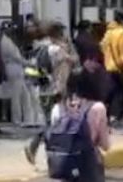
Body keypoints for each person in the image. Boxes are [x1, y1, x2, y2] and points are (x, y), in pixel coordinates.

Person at [25, 21, 79, 164]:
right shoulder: (57, 50)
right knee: (54, 124)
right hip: (55, 91)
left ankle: (48, 154)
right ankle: (35, 146)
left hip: (43, 91)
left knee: (52, 123)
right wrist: (61, 92)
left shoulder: (43, 48)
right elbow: (72, 63)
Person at [46, 69, 110, 181]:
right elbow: (105, 145)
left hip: (66, 164)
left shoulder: (59, 107)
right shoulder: (97, 108)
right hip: (88, 166)